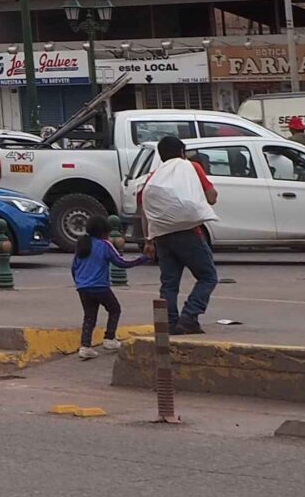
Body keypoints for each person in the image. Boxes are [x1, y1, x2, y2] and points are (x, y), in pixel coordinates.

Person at [136, 135, 219, 334]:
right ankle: (190, 316)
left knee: (169, 283)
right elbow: (212, 197)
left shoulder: (154, 176)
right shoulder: (191, 168)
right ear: (182, 153)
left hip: (162, 237)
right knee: (208, 277)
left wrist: (149, 240)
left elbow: (145, 209)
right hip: (189, 234)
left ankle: (169, 324)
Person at [70, 213, 141, 358]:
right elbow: (121, 262)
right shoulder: (104, 244)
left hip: (83, 287)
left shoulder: (83, 244)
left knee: (89, 316)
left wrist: (79, 282)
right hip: (100, 286)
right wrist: (141, 259)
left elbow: (74, 267)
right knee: (114, 309)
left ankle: (85, 346)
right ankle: (109, 338)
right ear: (104, 231)